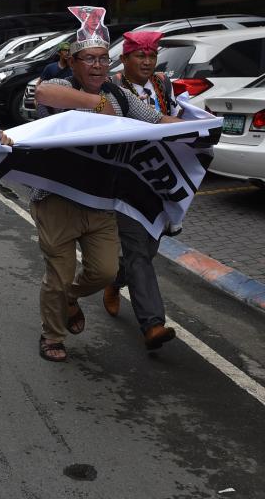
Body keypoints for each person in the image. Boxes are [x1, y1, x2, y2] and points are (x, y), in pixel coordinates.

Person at [32, 7, 181, 363]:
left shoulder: (121, 96)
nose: (98, 66)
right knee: (59, 273)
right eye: (89, 59)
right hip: (57, 198)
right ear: (73, 62)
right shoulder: (62, 86)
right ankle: (52, 335)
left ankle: (71, 297)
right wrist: (98, 104)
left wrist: (198, 128)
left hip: (100, 200)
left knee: (106, 271)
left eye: (103, 59)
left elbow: (158, 120)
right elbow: (43, 94)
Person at [101, 31, 180, 350]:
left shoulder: (163, 84)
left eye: (152, 55)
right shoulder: (113, 89)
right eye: (140, 56)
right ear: (125, 59)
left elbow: (176, 115)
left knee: (148, 249)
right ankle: (153, 324)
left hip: (159, 182)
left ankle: (114, 281)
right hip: (126, 183)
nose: (148, 62)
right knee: (137, 249)